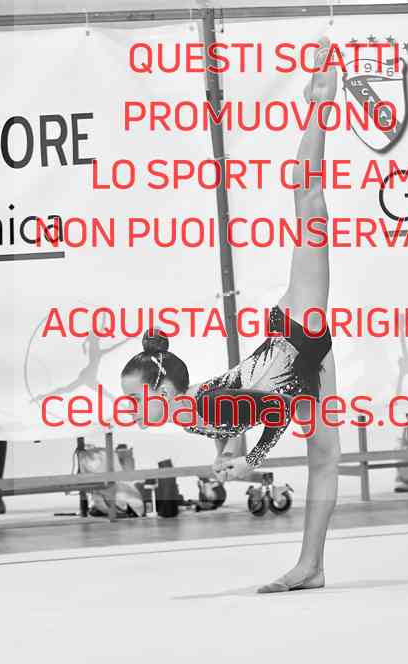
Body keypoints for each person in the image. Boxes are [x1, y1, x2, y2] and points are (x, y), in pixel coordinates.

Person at [121, 38, 341, 592]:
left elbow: (275, 411)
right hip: (298, 357)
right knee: (325, 457)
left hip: (300, 329)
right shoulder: (190, 412)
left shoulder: (200, 406)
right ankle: (312, 565)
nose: (133, 407)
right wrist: (230, 457)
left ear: (163, 387)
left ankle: (321, 102)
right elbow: (237, 421)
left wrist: (251, 459)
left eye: (137, 398)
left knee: (308, 199)